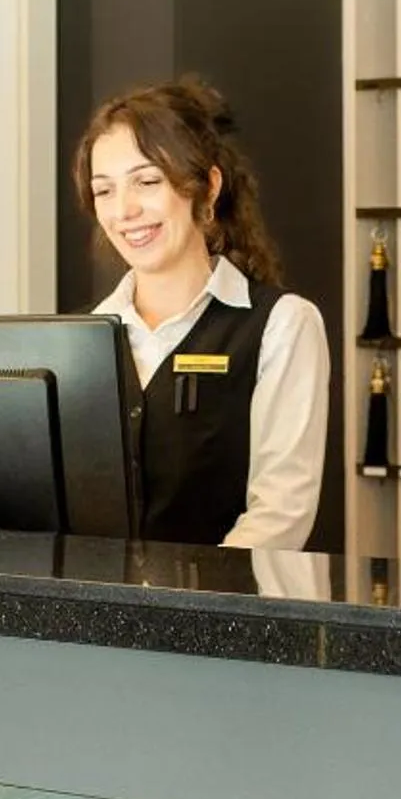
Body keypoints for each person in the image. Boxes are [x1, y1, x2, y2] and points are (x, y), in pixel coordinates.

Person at [76, 78, 329, 550]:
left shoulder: (282, 325)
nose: (125, 210)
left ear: (206, 187)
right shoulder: (78, 339)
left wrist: (190, 616)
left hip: (222, 616)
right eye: (104, 191)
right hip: (90, 619)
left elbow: (280, 516)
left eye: (147, 181)